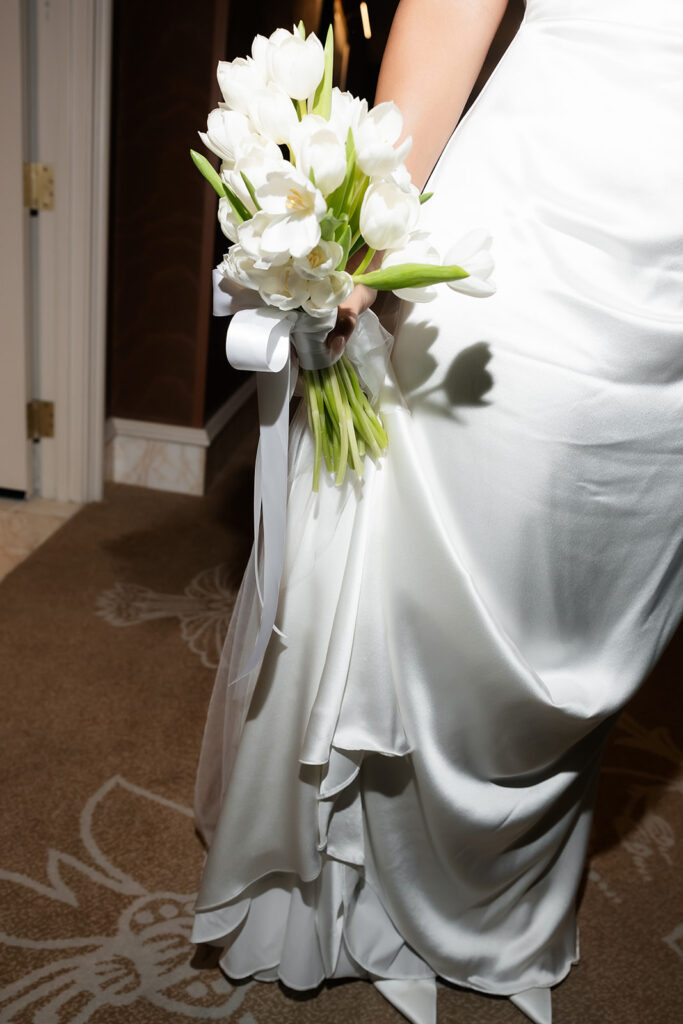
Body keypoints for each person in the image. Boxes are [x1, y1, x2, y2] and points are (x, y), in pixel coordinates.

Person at [191, 2, 683, 1022]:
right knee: (440, 590)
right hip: (530, 235)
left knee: (582, 616)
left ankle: (499, 897)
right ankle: (358, 883)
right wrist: (354, 245)